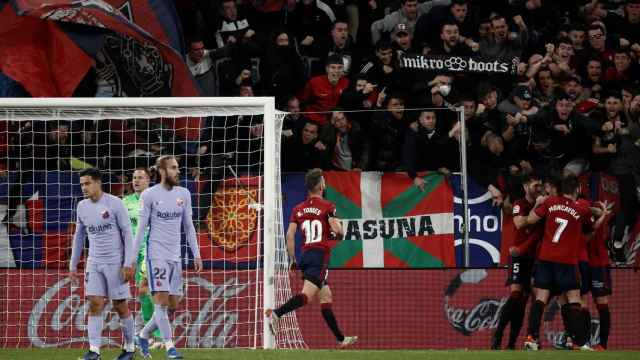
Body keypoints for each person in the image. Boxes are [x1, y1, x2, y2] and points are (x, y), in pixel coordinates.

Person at [264, 169, 357, 348]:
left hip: (305, 255)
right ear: (320, 185)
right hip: (319, 255)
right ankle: (276, 314)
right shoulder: (328, 206)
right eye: (323, 180)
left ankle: (340, 339)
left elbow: (290, 235)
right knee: (306, 297)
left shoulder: (298, 209)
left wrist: (292, 260)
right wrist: (340, 230)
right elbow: (337, 230)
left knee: (325, 297)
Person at [523, 175, 609, 351]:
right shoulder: (581, 208)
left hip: (546, 259)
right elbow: (590, 229)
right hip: (566, 262)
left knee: (540, 298)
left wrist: (539, 203)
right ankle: (580, 341)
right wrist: (602, 216)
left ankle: (531, 339)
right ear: (577, 190)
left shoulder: (550, 202)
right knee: (574, 300)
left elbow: (530, 220)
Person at [134, 155, 203, 360]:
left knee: (173, 304)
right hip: (156, 255)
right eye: (173, 168)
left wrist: (196, 253)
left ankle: (143, 334)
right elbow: (140, 230)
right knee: (161, 302)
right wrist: (131, 259)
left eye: (178, 167)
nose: (178, 171)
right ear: (162, 171)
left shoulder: (184, 193)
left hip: (176, 256)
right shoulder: (149, 195)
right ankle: (170, 347)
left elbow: (189, 227)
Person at [69, 168, 136, 360]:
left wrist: (128, 262)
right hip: (94, 262)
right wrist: (73, 265)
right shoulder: (81, 206)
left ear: (98, 183)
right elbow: (79, 236)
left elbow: (127, 233)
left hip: (116, 262)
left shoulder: (115, 203)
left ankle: (129, 348)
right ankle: (94, 351)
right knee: (95, 304)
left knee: (120, 305)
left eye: (87, 183)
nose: (84, 187)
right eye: (82, 184)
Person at [491, 175, 543, 350]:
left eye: (540, 186)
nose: (538, 188)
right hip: (518, 256)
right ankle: (497, 335)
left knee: (523, 302)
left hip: (532, 259)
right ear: (526, 186)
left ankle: (512, 343)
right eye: (536, 185)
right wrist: (537, 206)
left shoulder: (543, 207)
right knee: (515, 296)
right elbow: (519, 224)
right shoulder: (520, 203)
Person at [122, 167, 161, 346]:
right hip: (131, 254)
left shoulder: (155, 200)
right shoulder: (125, 202)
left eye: (140, 178)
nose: (136, 181)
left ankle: (157, 335)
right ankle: (147, 333)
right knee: (142, 294)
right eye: (134, 178)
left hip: (151, 251)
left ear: (148, 181)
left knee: (149, 291)